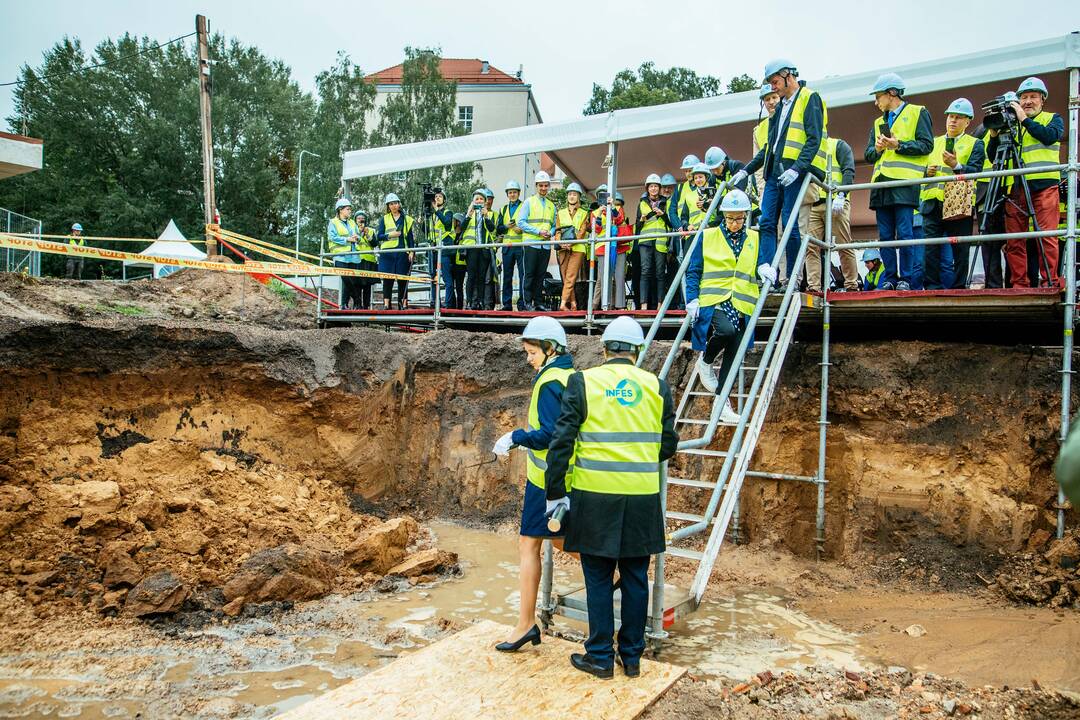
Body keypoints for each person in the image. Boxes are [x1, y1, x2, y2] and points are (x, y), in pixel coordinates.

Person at [543, 315, 678, 679]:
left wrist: (556, 494)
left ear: (604, 350)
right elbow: (669, 444)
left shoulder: (583, 382)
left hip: (595, 498)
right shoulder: (657, 386)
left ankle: (600, 656)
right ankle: (631, 658)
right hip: (641, 499)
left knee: (598, 579)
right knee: (636, 578)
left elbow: (561, 442)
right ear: (638, 352)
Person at [491, 316, 577, 652]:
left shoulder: (550, 381)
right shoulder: (568, 376)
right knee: (556, 543)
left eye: (531, 352)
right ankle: (616, 575)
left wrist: (516, 437)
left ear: (550, 348)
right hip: (559, 478)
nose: (528, 359)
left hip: (547, 481)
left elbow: (551, 434)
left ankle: (526, 624)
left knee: (534, 545)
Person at [736, 59, 828, 289]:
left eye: (775, 82)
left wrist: (797, 169)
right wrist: (746, 170)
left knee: (790, 225)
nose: (773, 87)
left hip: (794, 172)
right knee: (766, 222)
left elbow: (814, 139)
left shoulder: (809, 98)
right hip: (774, 174)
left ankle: (793, 279)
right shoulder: (779, 110)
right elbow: (769, 149)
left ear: (789, 75)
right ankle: (768, 271)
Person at [685, 190, 759, 423]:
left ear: (746, 216)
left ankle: (722, 405)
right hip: (713, 300)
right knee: (725, 331)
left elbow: (758, 266)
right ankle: (705, 361)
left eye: (739, 218)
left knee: (734, 353)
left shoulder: (754, 239)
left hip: (742, 302)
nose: (734, 223)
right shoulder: (707, 236)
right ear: (723, 216)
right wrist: (692, 298)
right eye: (730, 218)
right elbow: (694, 270)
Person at [987, 76, 1065, 288]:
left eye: (1033, 97)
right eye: (1024, 97)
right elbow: (993, 156)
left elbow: (1049, 136)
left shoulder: (1052, 118)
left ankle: (1050, 282)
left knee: (1046, 237)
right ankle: (1019, 284)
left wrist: (1024, 119)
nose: (1028, 101)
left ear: (1043, 100)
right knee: (1015, 241)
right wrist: (994, 134)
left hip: (1044, 185)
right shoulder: (1011, 124)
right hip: (1016, 187)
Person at [863, 73, 933, 292]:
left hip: (904, 183)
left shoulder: (917, 112)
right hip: (881, 185)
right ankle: (890, 278)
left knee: (905, 233)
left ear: (892, 93)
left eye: (878, 96)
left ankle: (906, 278)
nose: (876, 102)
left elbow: (926, 145)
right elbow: (868, 155)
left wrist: (898, 144)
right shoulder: (877, 122)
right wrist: (878, 148)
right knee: (885, 236)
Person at [921, 99, 985, 290]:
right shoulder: (934, 143)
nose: (953, 121)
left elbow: (976, 171)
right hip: (932, 202)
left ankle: (958, 286)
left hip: (959, 204)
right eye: (950, 116)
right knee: (930, 248)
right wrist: (926, 172)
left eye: (958, 118)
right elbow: (919, 171)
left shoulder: (975, 143)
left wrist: (956, 166)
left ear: (968, 122)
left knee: (960, 248)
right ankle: (932, 286)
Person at [799, 138, 858, 292]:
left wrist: (842, 194)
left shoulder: (838, 145)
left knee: (843, 244)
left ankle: (851, 285)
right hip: (813, 203)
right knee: (811, 247)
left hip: (835, 201)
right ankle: (814, 287)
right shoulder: (807, 148)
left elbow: (848, 171)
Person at [516, 171, 558, 311]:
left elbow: (554, 225)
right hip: (531, 244)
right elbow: (520, 222)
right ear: (536, 186)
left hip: (545, 245)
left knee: (541, 275)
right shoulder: (529, 202)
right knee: (529, 274)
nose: (544, 188)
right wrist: (538, 232)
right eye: (541, 185)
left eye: (546, 185)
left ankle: (538, 302)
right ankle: (527, 302)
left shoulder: (552, 205)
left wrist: (551, 233)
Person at [635, 174, 671, 310]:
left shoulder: (666, 202)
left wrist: (663, 215)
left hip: (660, 241)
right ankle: (644, 305)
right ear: (647, 188)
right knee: (645, 271)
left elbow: (670, 223)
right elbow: (637, 227)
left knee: (660, 272)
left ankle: (660, 305)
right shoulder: (641, 203)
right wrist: (642, 220)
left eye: (656, 186)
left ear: (659, 188)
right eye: (651, 186)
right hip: (645, 241)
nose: (654, 188)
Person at [375, 193, 415, 309]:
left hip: (403, 252)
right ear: (388, 206)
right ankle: (387, 304)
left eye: (395, 203)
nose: (393, 206)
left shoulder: (406, 219)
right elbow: (379, 236)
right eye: (391, 204)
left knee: (403, 279)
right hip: (387, 253)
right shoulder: (384, 219)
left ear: (399, 204)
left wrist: (412, 251)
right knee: (388, 279)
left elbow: (410, 238)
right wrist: (390, 235)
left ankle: (403, 304)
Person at [555, 182, 589, 311]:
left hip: (578, 249)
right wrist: (561, 243)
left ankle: (563, 304)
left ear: (579, 196)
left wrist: (572, 243)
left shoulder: (584, 213)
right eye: (570, 194)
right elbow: (557, 231)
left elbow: (582, 231)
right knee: (565, 277)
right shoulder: (561, 212)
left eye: (574, 194)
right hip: (563, 249)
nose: (572, 196)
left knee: (570, 276)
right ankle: (573, 303)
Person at [593, 192, 631, 310]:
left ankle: (620, 306)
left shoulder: (618, 208)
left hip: (618, 247)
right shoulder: (594, 213)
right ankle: (606, 305)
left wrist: (612, 206)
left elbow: (620, 220)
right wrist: (600, 213)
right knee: (605, 278)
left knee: (619, 276)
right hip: (602, 248)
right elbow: (597, 229)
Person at [460, 189, 496, 310]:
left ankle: (480, 301)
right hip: (471, 249)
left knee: (481, 277)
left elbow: (492, 229)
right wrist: (469, 215)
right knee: (471, 276)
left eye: (481, 199)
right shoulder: (469, 213)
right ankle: (470, 302)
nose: (479, 201)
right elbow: (462, 228)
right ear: (473, 201)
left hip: (484, 249)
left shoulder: (489, 214)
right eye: (477, 199)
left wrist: (485, 215)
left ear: (485, 202)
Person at [326, 198, 364, 309]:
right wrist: (347, 239)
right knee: (346, 279)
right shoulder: (333, 222)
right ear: (340, 210)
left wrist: (358, 238)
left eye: (350, 209)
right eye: (348, 209)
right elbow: (332, 237)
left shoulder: (352, 222)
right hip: (340, 256)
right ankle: (357, 300)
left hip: (353, 256)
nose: (350, 211)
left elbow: (359, 238)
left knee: (350, 281)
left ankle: (344, 304)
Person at [497, 181, 526, 310]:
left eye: (514, 192)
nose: (512, 194)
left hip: (520, 246)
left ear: (518, 193)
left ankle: (522, 303)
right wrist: (506, 227)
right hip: (507, 247)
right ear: (507, 194)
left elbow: (526, 225)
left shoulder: (524, 206)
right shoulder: (503, 209)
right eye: (510, 192)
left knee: (522, 275)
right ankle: (507, 304)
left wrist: (518, 228)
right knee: (507, 276)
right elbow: (498, 229)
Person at [751, 84, 781, 201]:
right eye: (767, 99)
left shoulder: (791, 118)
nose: (771, 102)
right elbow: (759, 167)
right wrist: (762, 192)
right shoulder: (758, 130)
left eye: (774, 97)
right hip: (770, 187)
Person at [429, 190, 456, 310]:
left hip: (444, 250)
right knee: (433, 277)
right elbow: (429, 233)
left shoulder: (447, 212)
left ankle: (448, 303)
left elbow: (447, 224)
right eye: (435, 197)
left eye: (440, 196)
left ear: (444, 200)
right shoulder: (432, 216)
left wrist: (436, 210)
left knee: (447, 278)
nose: (437, 198)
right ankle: (435, 301)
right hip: (433, 249)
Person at [353, 211, 378, 309]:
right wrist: (359, 232)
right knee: (357, 284)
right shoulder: (352, 230)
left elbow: (375, 244)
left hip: (369, 261)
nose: (360, 220)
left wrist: (367, 235)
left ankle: (366, 307)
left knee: (367, 286)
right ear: (355, 220)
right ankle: (357, 304)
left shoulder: (371, 230)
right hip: (357, 260)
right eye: (358, 218)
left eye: (362, 218)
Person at [449, 212, 468, 308]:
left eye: (454, 220)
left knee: (459, 287)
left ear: (458, 222)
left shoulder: (464, 234)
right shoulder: (452, 234)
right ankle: (452, 306)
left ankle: (460, 307)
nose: (452, 222)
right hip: (451, 263)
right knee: (451, 286)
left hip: (460, 264)